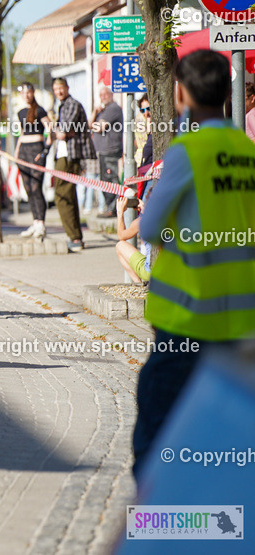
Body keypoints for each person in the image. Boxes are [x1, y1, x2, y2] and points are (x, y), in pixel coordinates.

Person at [132, 50, 255, 479]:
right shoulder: (245, 147)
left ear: (180, 93)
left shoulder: (188, 151)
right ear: (227, 91)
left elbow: (148, 227)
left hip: (188, 316)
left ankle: (158, 531)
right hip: (241, 321)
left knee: (155, 428)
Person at [50, 78, 96, 251]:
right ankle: (76, 236)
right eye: (55, 89)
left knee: (62, 196)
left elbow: (62, 132)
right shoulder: (61, 106)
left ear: (67, 88)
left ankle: (75, 238)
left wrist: (51, 126)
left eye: (61, 88)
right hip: (62, 154)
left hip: (70, 155)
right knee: (68, 196)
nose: (59, 92)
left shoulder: (72, 105)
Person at [14, 83, 52, 239]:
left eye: (28, 92)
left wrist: (45, 151)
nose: (26, 95)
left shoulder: (40, 110)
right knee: (28, 188)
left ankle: (41, 223)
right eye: (23, 93)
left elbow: (50, 130)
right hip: (23, 151)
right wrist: (16, 152)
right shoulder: (21, 112)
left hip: (36, 150)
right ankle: (35, 222)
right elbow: (22, 133)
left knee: (36, 187)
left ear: (33, 93)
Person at [91, 86, 123, 218]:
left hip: (111, 150)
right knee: (105, 179)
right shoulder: (101, 111)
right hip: (103, 151)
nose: (103, 97)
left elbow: (98, 127)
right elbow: (90, 124)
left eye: (105, 94)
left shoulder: (113, 108)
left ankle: (113, 208)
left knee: (110, 179)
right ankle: (110, 207)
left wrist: (94, 122)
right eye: (101, 95)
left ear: (111, 94)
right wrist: (95, 112)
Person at [114, 195, 150, 283]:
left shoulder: (142, 221)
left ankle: (138, 283)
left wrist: (120, 213)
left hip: (151, 273)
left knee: (120, 245)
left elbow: (121, 236)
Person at [134, 94, 153, 168]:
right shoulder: (140, 119)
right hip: (141, 162)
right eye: (142, 110)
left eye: (148, 109)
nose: (146, 113)